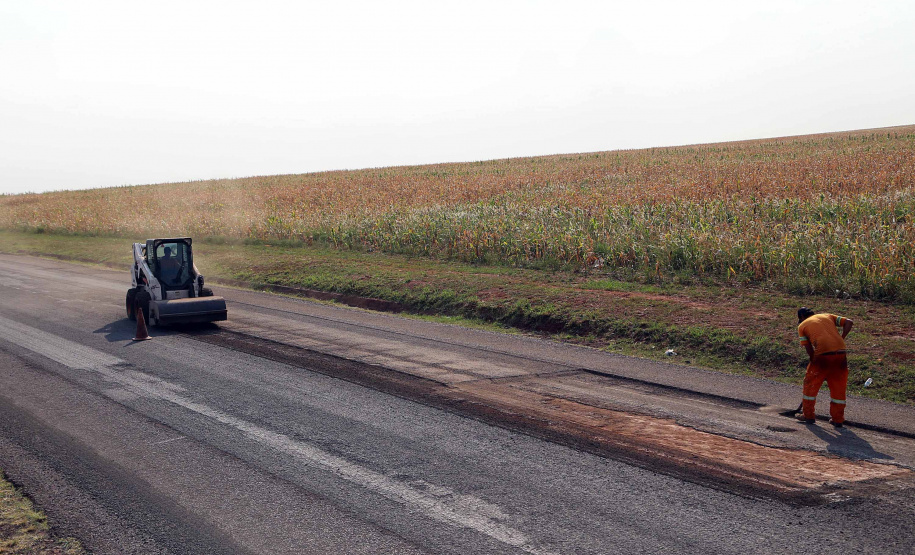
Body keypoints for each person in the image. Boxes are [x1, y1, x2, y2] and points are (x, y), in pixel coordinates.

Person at [796, 307, 853, 426]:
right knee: (838, 388)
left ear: (801, 317)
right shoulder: (827, 316)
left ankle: (808, 415)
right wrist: (841, 338)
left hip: (822, 354)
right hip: (841, 354)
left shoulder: (802, 326)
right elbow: (849, 322)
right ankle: (838, 419)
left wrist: (814, 364)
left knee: (810, 385)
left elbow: (809, 349)